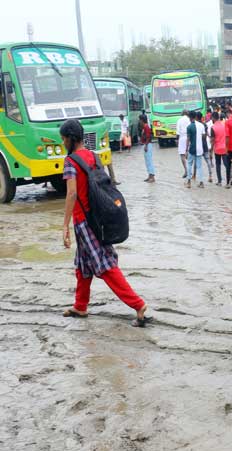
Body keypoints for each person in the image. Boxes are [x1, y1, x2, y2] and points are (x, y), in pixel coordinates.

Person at [59, 119, 151, 327]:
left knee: (105, 266)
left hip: (84, 222)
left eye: (64, 139)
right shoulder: (93, 156)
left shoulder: (70, 162)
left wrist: (65, 225)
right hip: (98, 218)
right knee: (83, 266)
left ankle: (138, 305)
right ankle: (80, 306)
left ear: (71, 139)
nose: (63, 143)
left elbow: (71, 193)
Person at [186, 111, 207, 189]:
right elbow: (204, 137)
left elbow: (188, 139)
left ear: (190, 118)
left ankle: (188, 182)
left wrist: (186, 150)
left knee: (189, 164)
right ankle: (201, 182)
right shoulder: (201, 125)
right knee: (199, 166)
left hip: (192, 148)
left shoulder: (189, 127)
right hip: (200, 148)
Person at [210, 112, 231, 186]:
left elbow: (212, 141)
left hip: (217, 149)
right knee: (226, 164)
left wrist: (211, 151)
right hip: (225, 148)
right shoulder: (224, 125)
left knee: (218, 164)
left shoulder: (213, 127)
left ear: (213, 118)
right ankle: (230, 178)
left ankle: (219, 181)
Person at [140, 115, 155, 183]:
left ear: (142, 120)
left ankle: (152, 177)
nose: (139, 122)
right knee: (147, 161)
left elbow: (148, 137)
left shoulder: (146, 127)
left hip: (147, 145)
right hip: (146, 145)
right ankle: (149, 175)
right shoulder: (144, 127)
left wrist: (146, 146)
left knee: (149, 161)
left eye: (140, 120)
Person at [176, 110, 190, 178]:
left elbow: (178, 132)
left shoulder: (179, 120)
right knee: (190, 154)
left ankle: (186, 170)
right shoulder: (189, 119)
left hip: (182, 138)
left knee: (182, 155)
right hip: (189, 137)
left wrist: (177, 140)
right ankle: (190, 170)